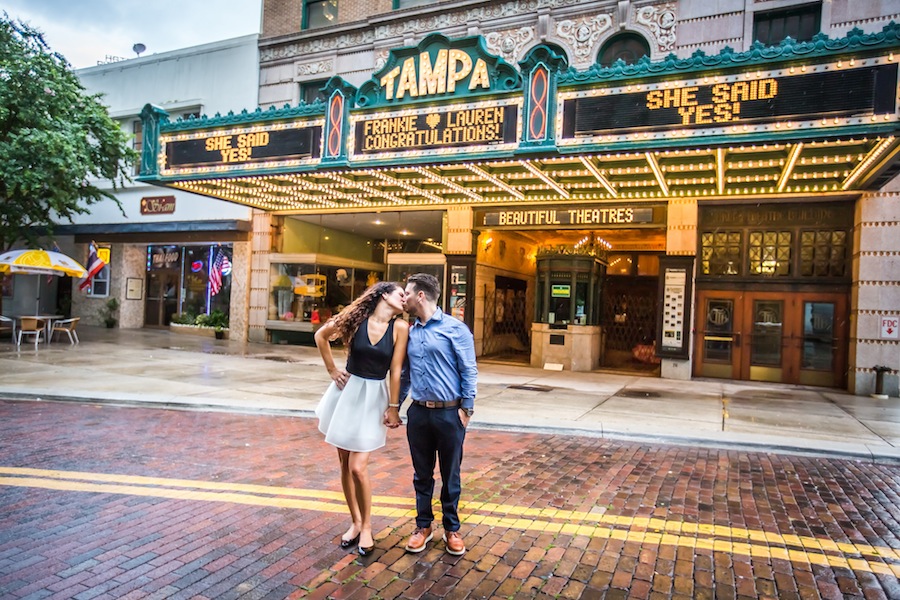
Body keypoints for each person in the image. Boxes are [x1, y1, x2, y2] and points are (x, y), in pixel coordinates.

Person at [314, 281, 408, 556]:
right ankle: (355, 522)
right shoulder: (356, 319)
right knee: (344, 461)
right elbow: (321, 336)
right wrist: (332, 369)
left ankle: (367, 526)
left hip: (373, 397)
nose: (405, 298)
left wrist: (393, 406)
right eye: (400, 294)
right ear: (383, 295)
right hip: (346, 392)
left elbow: (396, 370)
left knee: (358, 466)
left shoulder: (400, 328)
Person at [397, 273, 477, 556]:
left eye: (406, 293)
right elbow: (404, 374)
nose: (402, 297)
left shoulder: (456, 329)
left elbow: (469, 369)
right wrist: (395, 405)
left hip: (450, 414)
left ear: (421, 295)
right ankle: (423, 526)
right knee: (422, 475)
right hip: (418, 414)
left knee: (450, 474)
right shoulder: (408, 330)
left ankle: (452, 529)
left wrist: (467, 408)